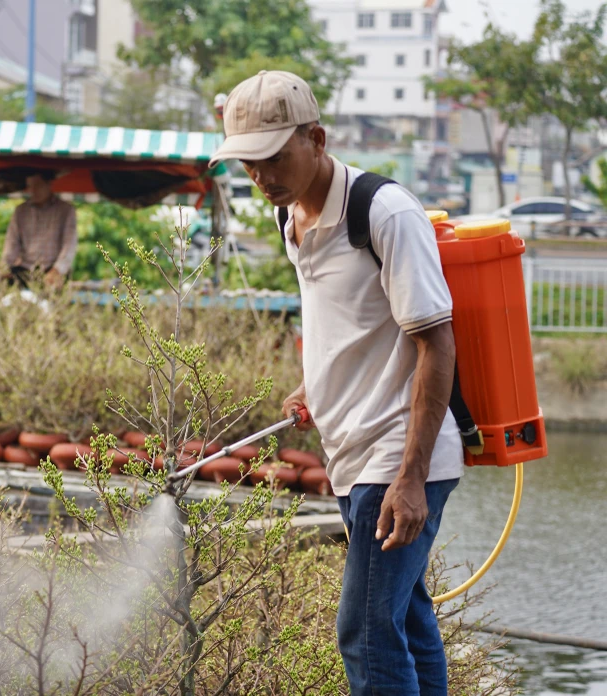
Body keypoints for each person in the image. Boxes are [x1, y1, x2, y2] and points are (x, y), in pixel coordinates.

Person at [210, 70, 462, 696]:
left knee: (365, 631)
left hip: (398, 454)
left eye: (273, 158)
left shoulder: (384, 212)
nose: (261, 177)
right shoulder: (290, 217)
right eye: (248, 165)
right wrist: (313, 384)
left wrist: (409, 477)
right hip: (350, 455)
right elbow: (348, 322)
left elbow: (436, 341)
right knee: (405, 618)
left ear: (316, 139)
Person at [0, 172, 77, 290]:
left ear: (49, 184)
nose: (33, 190)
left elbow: (69, 245)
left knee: (54, 299)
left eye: (37, 185)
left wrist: (57, 270)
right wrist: (4, 266)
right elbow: (11, 244)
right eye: (30, 186)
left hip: (53, 270)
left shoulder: (66, 210)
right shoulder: (20, 211)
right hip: (25, 270)